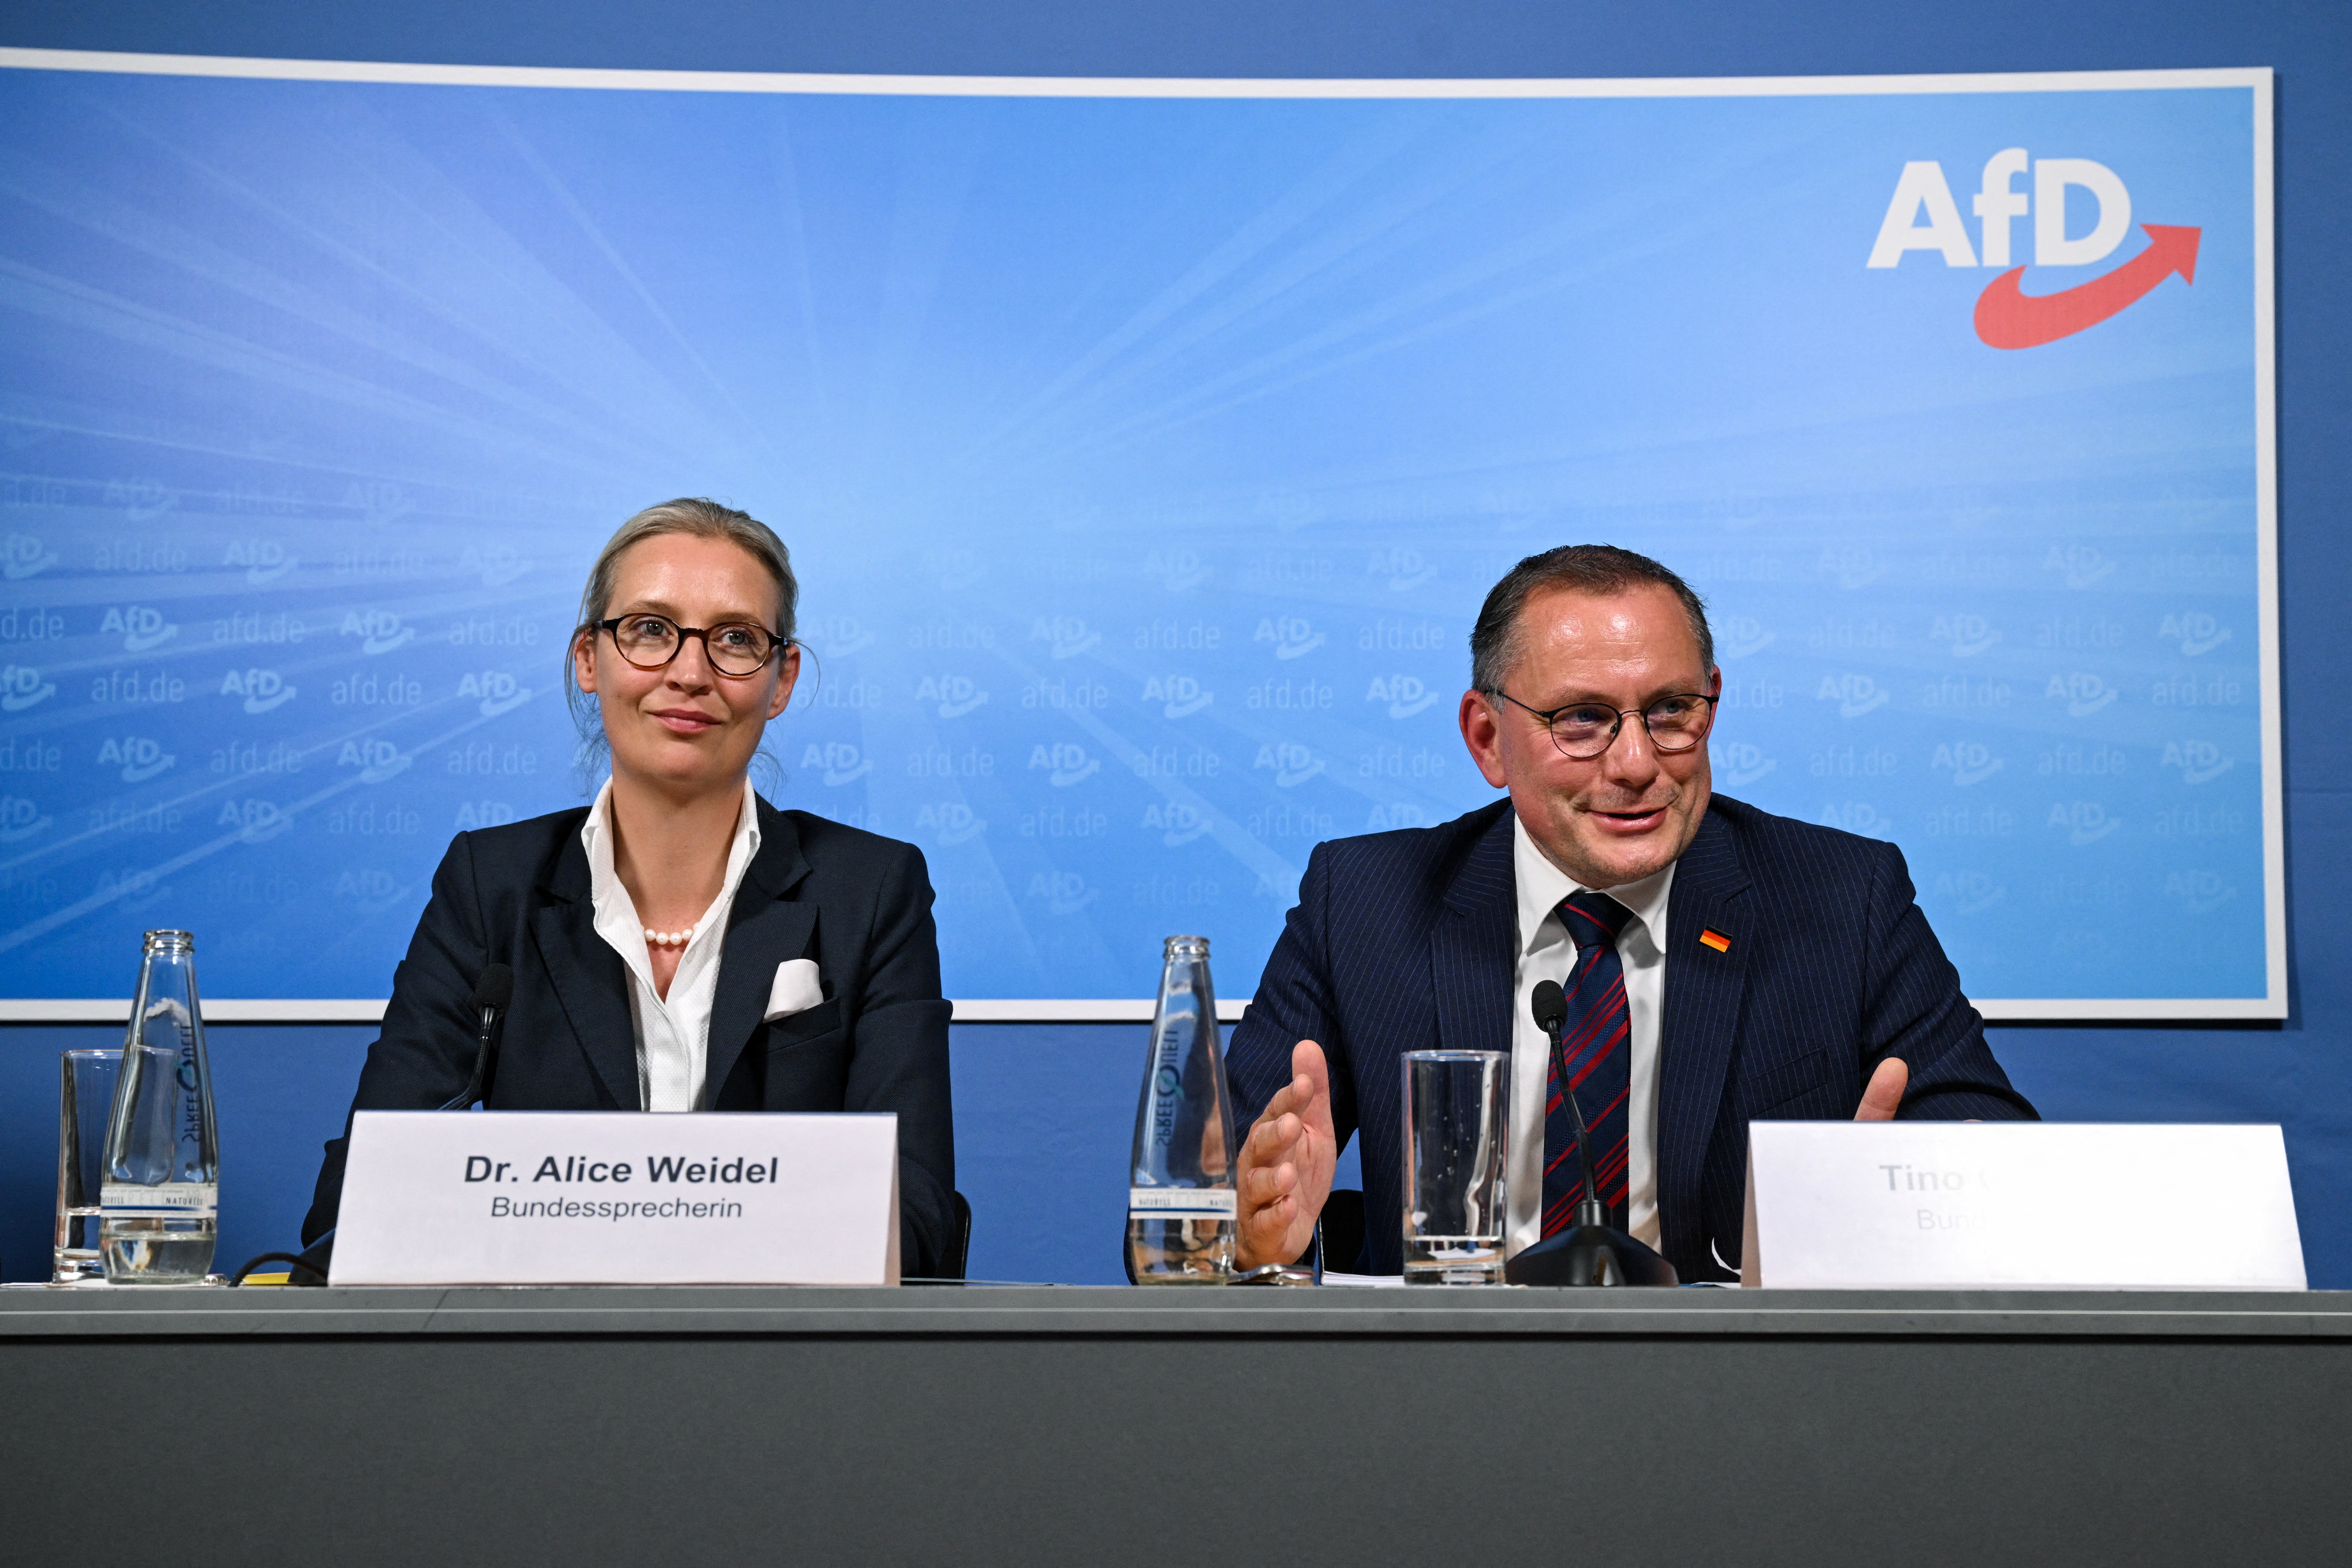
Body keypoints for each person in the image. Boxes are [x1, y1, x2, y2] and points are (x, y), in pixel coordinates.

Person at [1226, 544, 2034, 1281]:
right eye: (1580, 719)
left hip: (1741, 1393)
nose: (1637, 762)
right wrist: (1254, 1245)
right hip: (1445, 1391)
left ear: (1711, 702)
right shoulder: (1364, 900)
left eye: (1671, 710)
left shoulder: (1840, 894)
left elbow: (1998, 1174)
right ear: (1486, 738)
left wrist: (1895, 1203)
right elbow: (1205, 1198)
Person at [301, 499, 957, 1274]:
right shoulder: (492, 884)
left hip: (785, 1368)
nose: (689, 672)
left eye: (736, 640)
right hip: (534, 1368)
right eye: (650, 629)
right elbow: (358, 1202)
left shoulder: (873, 889)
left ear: (781, 681)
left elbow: (920, 1227)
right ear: (589, 658)